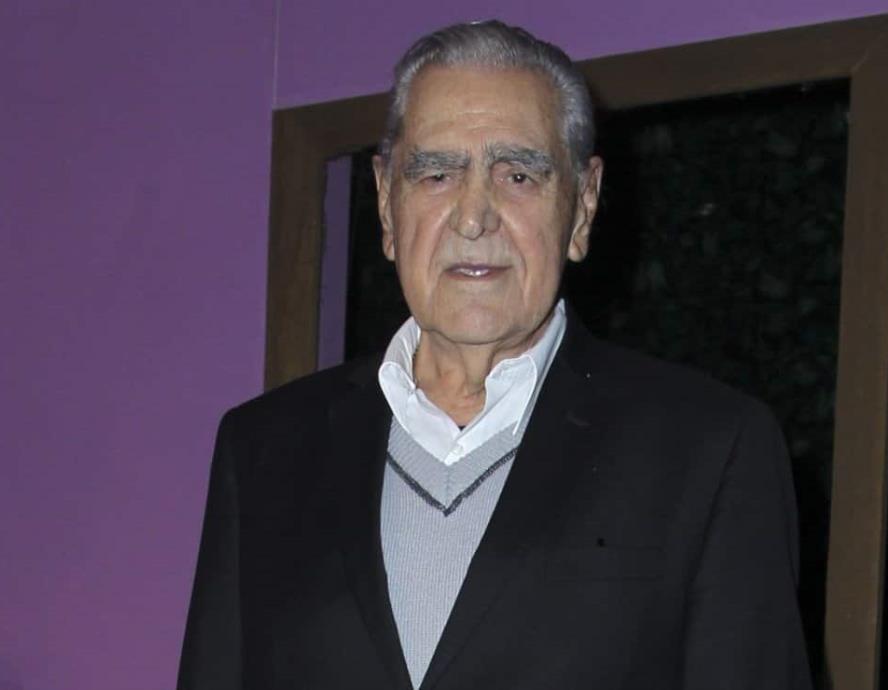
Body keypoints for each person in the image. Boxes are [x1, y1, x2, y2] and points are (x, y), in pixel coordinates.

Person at [177, 20, 812, 690]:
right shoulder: (264, 451)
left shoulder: (709, 450)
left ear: (583, 207)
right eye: (436, 173)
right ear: (387, 205)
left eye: (517, 175)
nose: (473, 216)